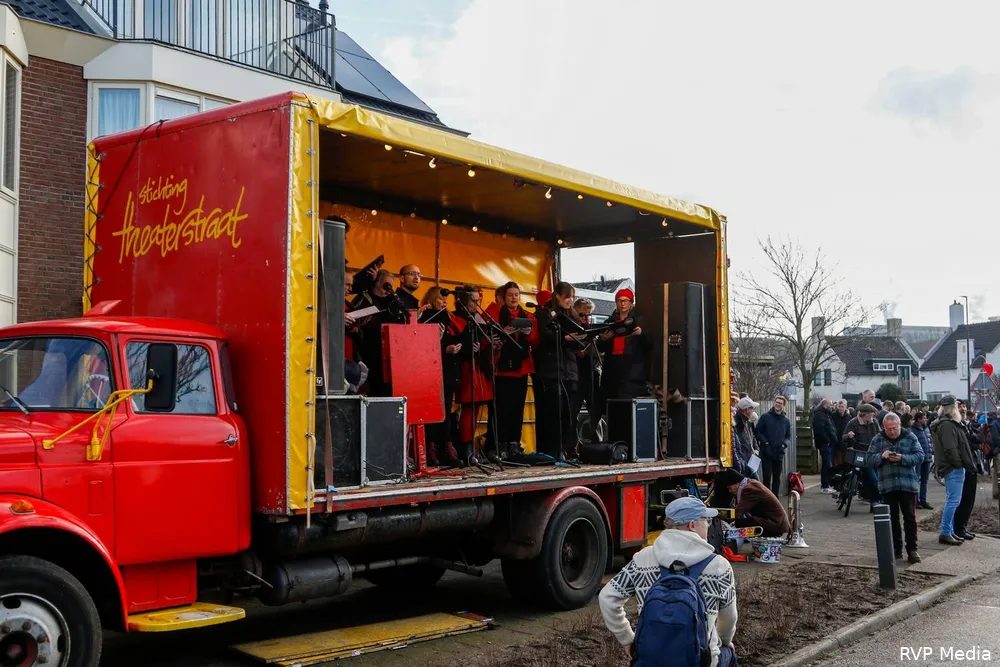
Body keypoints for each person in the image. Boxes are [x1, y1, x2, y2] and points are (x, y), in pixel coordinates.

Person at [599, 497, 738, 667]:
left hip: (651, 658)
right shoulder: (719, 565)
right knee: (728, 654)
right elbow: (729, 619)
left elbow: (607, 598)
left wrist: (627, 639)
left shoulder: (643, 558)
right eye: (706, 521)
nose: (708, 525)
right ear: (692, 525)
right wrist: (725, 642)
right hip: (699, 661)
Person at [484, 281, 539, 460]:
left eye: (516, 295)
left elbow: (535, 341)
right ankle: (498, 444)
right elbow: (486, 339)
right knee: (500, 409)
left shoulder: (528, 316)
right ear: (504, 297)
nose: (514, 298)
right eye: (510, 295)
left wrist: (528, 333)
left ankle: (514, 443)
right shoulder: (494, 315)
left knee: (517, 409)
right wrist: (503, 332)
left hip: (521, 368)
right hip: (501, 369)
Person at [865, 412, 923, 563]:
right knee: (892, 518)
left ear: (900, 425)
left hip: (907, 484)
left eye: (895, 428)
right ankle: (895, 550)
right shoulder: (877, 439)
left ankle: (912, 549)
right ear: (883, 427)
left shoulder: (910, 437)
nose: (892, 432)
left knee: (910, 518)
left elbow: (920, 456)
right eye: (888, 429)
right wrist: (881, 456)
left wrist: (902, 458)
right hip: (888, 485)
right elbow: (868, 459)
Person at [533, 282, 580, 461]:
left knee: (569, 413)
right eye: (567, 297)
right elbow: (544, 337)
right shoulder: (545, 314)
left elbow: (578, 340)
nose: (570, 300)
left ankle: (565, 448)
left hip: (570, 370)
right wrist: (564, 337)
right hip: (551, 371)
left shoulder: (572, 315)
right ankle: (551, 450)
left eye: (572, 297)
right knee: (552, 412)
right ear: (558, 296)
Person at [418, 287, 463, 466]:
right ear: (431, 300)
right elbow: (421, 346)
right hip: (431, 371)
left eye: (445, 299)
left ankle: (447, 446)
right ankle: (431, 447)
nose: (444, 302)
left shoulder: (449, 318)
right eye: (440, 298)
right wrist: (445, 349)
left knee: (446, 410)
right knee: (432, 410)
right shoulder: (425, 318)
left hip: (450, 370)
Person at [453, 287, 494, 466]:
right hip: (464, 367)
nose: (476, 304)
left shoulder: (479, 318)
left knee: (476, 407)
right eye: (473, 300)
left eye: (478, 300)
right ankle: (466, 448)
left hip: (478, 366)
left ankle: (471, 447)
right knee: (468, 408)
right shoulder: (456, 318)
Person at [597, 288, 651, 412]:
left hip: (631, 371)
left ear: (631, 303)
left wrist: (640, 334)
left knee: (628, 409)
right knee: (612, 407)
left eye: (626, 301)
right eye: (619, 301)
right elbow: (600, 347)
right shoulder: (609, 322)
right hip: (612, 370)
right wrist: (603, 340)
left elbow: (648, 344)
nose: (622, 304)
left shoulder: (639, 321)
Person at [931, 396, 975, 545]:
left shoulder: (945, 423)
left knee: (953, 501)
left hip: (951, 466)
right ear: (953, 408)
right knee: (953, 501)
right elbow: (950, 448)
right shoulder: (947, 425)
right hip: (953, 467)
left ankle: (948, 531)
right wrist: (958, 464)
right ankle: (945, 532)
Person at [718, 468, 790, 537]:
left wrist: (718, 514)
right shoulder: (750, 483)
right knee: (741, 522)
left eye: (729, 488)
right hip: (774, 522)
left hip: (774, 524)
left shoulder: (749, 489)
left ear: (736, 483)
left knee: (739, 523)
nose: (729, 491)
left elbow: (737, 512)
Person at [569, 297, 602, 435]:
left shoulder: (591, 329)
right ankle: (572, 442)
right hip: (576, 373)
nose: (586, 317)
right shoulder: (570, 327)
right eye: (582, 314)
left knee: (596, 409)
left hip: (590, 371)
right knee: (573, 410)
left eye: (589, 314)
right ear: (575, 311)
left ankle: (597, 440)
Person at [843, 404, 882, 505]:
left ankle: (874, 499)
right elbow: (843, 437)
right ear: (866, 414)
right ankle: (874, 500)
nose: (873, 416)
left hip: (872, 452)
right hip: (859, 452)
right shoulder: (853, 422)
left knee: (874, 476)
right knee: (872, 477)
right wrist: (849, 435)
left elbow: (880, 435)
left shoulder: (874, 422)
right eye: (872, 414)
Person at [954, 400, 981, 541]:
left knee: (970, 500)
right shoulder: (956, 426)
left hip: (972, 465)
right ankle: (958, 528)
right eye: (960, 407)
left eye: (964, 406)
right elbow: (969, 443)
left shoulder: (966, 424)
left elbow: (978, 440)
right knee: (963, 499)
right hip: (964, 466)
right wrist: (975, 440)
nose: (963, 409)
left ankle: (963, 526)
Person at [755, 395, 792, 496]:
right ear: (774, 403)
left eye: (780, 403)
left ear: (783, 405)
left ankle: (775, 498)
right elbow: (758, 432)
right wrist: (765, 442)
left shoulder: (786, 421)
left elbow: (788, 436)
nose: (778, 404)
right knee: (767, 477)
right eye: (777, 402)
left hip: (779, 453)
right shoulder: (765, 417)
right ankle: (766, 499)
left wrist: (784, 444)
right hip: (766, 452)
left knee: (777, 478)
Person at [812, 398, 838, 494]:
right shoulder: (820, 415)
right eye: (830, 404)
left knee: (827, 464)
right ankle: (825, 486)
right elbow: (820, 429)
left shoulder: (825, 414)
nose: (832, 406)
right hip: (825, 444)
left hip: (827, 443)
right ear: (825, 405)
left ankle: (826, 485)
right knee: (826, 465)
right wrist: (827, 441)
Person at [911, 410, 934, 510]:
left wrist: (931, 451)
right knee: (916, 479)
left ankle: (923, 500)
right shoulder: (913, 430)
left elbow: (929, 441)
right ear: (918, 419)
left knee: (925, 480)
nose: (925, 419)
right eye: (923, 418)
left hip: (927, 457)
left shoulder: (926, 428)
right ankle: (916, 501)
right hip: (918, 459)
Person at [732, 397, 760, 479]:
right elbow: (737, 446)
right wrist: (743, 464)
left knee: (756, 481)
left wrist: (756, 449)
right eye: (752, 408)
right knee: (755, 483)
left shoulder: (747, 421)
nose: (753, 411)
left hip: (750, 462)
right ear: (747, 410)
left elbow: (752, 437)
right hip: (743, 465)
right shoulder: (736, 423)